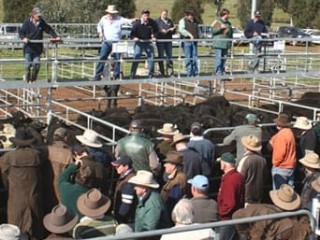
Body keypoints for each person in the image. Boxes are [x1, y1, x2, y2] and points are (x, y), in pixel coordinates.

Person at [0, 127, 45, 239]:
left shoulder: (7, 157)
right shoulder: (37, 155)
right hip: (34, 196)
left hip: (15, 198)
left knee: (15, 230)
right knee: (36, 228)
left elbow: (4, 179)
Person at [92, 5, 134, 108]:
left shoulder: (119, 19)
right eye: (110, 13)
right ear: (108, 13)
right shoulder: (103, 19)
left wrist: (134, 20)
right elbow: (99, 26)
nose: (111, 15)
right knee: (102, 57)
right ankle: (97, 75)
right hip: (106, 41)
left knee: (118, 60)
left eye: (113, 13)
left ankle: (116, 76)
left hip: (116, 42)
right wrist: (100, 33)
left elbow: (128, 21)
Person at [233, 184, 310, 240]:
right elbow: (303, 231)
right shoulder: (292, 222)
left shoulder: (258, 208)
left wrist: (245, 233)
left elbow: (236, 215)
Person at [19, 7, 60, 83]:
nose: (39, 17)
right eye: (38, 15)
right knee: (27, 66)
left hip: (37, 49)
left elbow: (49, 29)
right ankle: (27, 80)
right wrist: (23, 38)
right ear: (33, 15)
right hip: (28, 48)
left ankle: (33, 79)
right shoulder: (27, 23)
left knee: (37, 64)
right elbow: (21, 32)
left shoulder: (41, 23)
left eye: (40, 15)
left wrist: (56, 36)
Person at [42, 127, 73, 214]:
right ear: (65, 138)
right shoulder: (68, 153)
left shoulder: (46, 150)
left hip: (46, 184)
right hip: (61, 186)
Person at [128, 170, 171, 235]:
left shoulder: (153, 204)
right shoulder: (144, 197)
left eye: (137, 185)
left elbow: (149, 229)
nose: (134, 188)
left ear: (144, 188)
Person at [217, 152, 244, 240]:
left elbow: (230, 203)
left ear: (224, 164)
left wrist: (221, 213)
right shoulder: (238, 176)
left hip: (227, 219)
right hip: (236, 215)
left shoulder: (229, 180)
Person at [268, 113, 296, 190]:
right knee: (288, 193)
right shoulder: (290, 132)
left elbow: (280, 153)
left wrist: (275, 163)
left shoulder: (281, 135)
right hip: (290, 166)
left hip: (281, 167)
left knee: (279, 194)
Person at [237, 135, 267, 206]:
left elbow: (239, 178)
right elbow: (265, 177)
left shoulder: (245, 160)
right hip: (259, 194)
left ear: (246, 147)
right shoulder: (263, 160)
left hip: (246, 196)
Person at [130, 9, 158, 79]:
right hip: (139, 43)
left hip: (148, 42)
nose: (146, 17)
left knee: (151, 57)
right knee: (136, 57)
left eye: (147, 15)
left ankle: (151, 75)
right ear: (141, 16)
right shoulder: (137, 24)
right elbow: (132, 34)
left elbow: (156, 31)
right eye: (145, 15)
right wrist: (134, 38)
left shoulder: (152, 22)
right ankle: (132, 74)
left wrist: (154, 36)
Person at [111, 156, 137, 224]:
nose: (116, 168)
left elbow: (126, 205)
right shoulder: (125, 176)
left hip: (126, 219)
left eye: (118, 166)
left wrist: (119, 218)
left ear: (126, 166)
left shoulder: (129, 182)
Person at [161, 151, 187, 216]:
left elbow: (173, 202)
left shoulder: (177, 181)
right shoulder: (174, 178)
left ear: (174, 166)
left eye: (167, 163)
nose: (164, 165)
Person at [211, 8, 233, 76]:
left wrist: (230, 42)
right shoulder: (217, 21)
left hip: (226, 43)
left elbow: (230, 33)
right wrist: (220, 27)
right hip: (218, 43)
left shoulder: (228, 23)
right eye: (227, 14)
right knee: (218, 58)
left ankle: (223, 71)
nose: (228, 16)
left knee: (224, 59)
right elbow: (213, 31)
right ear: (223, 14)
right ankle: (218, 72)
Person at [178, 9, 199, 77]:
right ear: (188, 15)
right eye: (190, 14)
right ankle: (189, 72)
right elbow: (181, 29)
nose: (192, 16)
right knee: (188, 56)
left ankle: (195, 72)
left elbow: (198, 29)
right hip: (186, 41)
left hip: (194, 41)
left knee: (194, 56)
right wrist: (189, 35)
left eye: (193, 15)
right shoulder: (182, 21)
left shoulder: (195, 21)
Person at [155, 9, 175, 77]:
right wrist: (161, 31)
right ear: (161, 14)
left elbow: (174, 31)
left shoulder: (170, 21)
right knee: (161, 56)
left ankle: (170, 72)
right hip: (160, 40)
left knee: (169, 56)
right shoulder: (157, 21)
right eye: (163, 14)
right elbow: (155, 30)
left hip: (168, 40)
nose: (164, 15)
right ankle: (161, 72)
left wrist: (172, 30)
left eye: (166, 14)